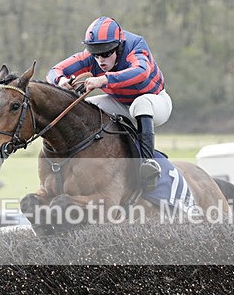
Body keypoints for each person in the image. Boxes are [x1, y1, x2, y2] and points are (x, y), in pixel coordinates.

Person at [46, 16, 171, 191]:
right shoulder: (92, 57)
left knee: (141, 103)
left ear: (118, 47)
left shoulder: (136, 47)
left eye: (106, 54)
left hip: (156, 102)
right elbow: (55, 70)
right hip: (120, 103)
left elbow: (141, 72)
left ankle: (147, 165)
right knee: (83, 108)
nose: (100, 61)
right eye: (96, 55)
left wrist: (103, 80)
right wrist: (60, 81)